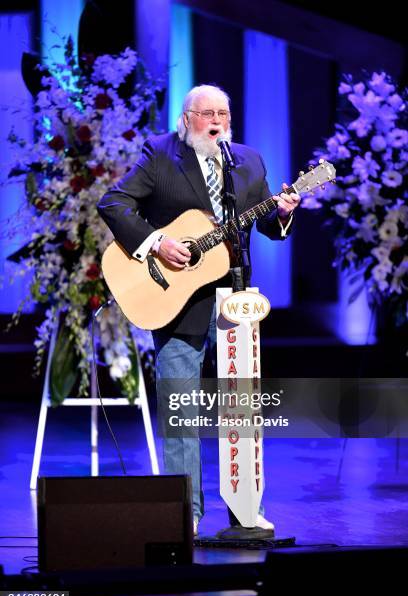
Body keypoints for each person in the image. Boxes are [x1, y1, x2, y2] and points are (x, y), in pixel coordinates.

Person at [97, 84, 300, 535]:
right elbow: (113, 202)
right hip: (174, 299)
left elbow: (266, 225)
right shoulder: (160, 154)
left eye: (223, 113)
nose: (216, 121)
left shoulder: (247, 161)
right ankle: (184, 514)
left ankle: (246, 509)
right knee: (181, 410)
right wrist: (158, 243)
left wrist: (283, 211)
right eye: (207, 113)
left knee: (242, 409)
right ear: (186, 119)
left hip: (235, 300)